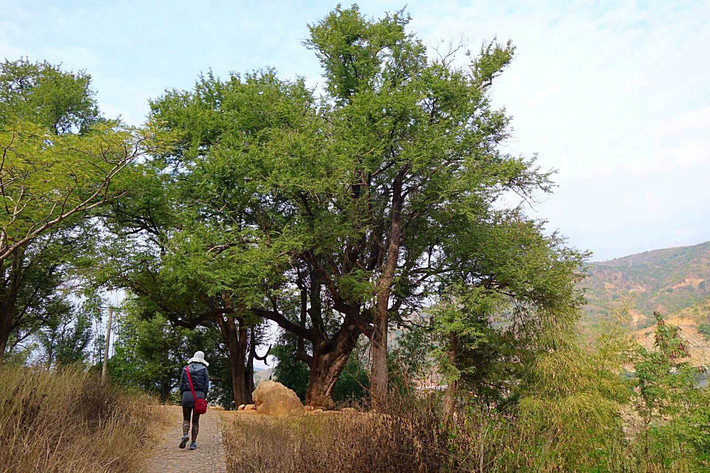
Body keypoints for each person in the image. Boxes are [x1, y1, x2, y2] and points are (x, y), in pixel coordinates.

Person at [179, 351, 209, 450]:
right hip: (199, 396)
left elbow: (181, 385)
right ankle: (193, 443)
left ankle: (184, 435)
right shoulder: (204, 370)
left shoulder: (185, 369)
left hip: (186, 395)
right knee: (195, 420)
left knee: (186, 418)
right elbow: (206, 386)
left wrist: (183, 395)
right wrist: (203, 397)